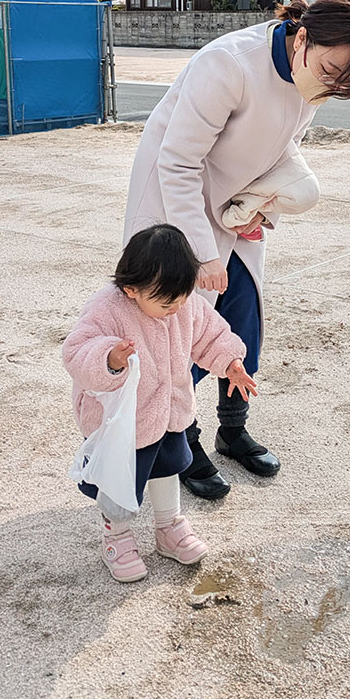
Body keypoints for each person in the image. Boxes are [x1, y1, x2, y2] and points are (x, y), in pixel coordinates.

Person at [124, 0, 350, 499]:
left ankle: (233, 428)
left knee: (242, 318)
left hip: (234, 204)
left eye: (342, 85)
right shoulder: (230, 64)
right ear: (302, 38)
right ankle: (183, 441)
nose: (329, 87)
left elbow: (286, 149)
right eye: (330, 72)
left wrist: (261, 210)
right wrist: (202, 253)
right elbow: (177, 162)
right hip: (176, 206)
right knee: (181, 332)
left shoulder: (311, 81)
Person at [61, 224, 258, 583]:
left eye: (182, 299)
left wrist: (230, 362)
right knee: (120, 480)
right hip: (123, 420)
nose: (176, 309)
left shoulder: (182, 304)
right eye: (167, 304)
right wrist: (110, 359)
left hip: (168, 410)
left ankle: (169, 526)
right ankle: (117, 537)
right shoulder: (107, 308)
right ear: (131, 289)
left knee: (168, 465)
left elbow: (209, 334)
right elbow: (76, 350)